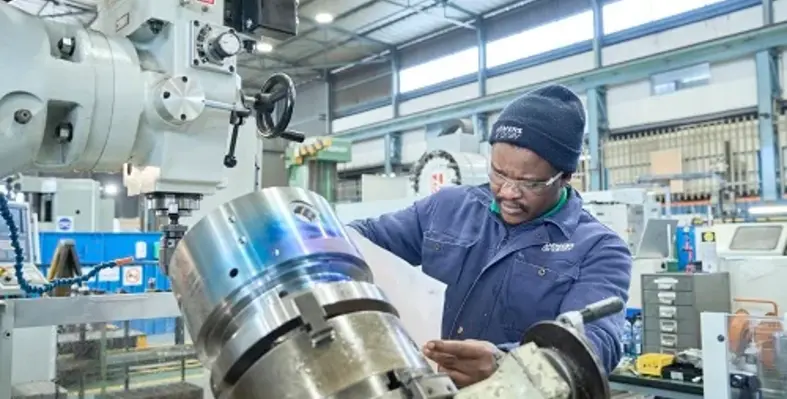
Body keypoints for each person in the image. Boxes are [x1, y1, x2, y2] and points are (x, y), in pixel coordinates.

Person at [348, 84, 632, 388]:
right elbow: (358, 240)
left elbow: (595, 344)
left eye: (529, 183)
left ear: (564, 176)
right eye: (498, 173)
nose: (507, 192)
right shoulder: (448, 207)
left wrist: (508, 365)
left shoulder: (600, 249)